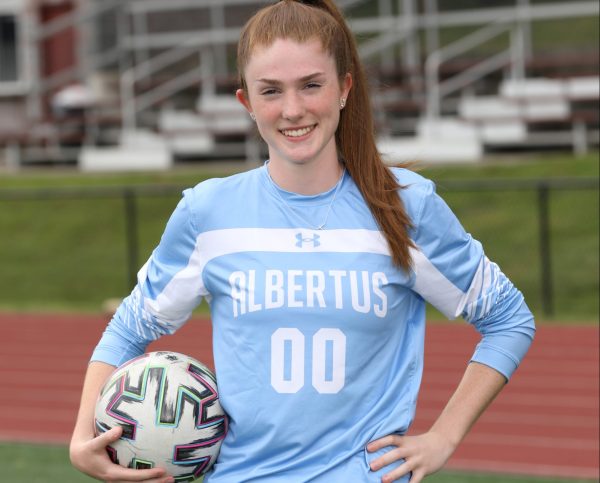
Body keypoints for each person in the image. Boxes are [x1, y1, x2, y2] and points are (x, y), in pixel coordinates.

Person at [69, 1, 535, 482]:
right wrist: (83, 436)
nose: (293, 109)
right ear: (247, 103)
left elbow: (508, 319)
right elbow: (128, 328)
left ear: (344, 89)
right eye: (271, 91)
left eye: (311, 85)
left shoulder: (405, 206)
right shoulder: (207, 213)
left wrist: (444, 437)